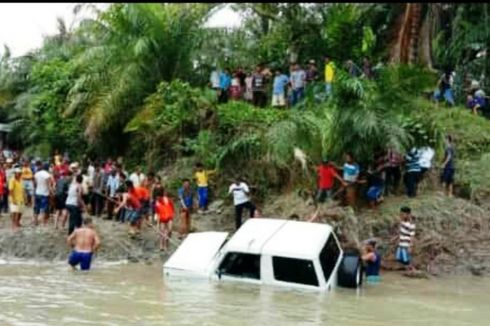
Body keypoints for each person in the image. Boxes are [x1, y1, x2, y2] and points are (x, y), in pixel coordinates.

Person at [394, 206, 416, 271]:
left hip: (406, 245)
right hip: (401, 244)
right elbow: (400, 232)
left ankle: (411, 270)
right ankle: (409, 269)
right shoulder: (402, 222)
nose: (401, 216)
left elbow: (412, 237)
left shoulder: (411, 224)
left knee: (406, 259)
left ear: (408, 214)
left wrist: (410, 246)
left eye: (402, 214)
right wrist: (396, 238)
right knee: (399, 258)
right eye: (400, 214)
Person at [33, 161, 54, 226]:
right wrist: (52, 192)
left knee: (36, 208)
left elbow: (35, 184)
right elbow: (49, 185)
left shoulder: (36, 174)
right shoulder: (47, 175)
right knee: (44, 208)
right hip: (44, 194)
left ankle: (36, 221)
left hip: (37, 193)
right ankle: (43, 222)